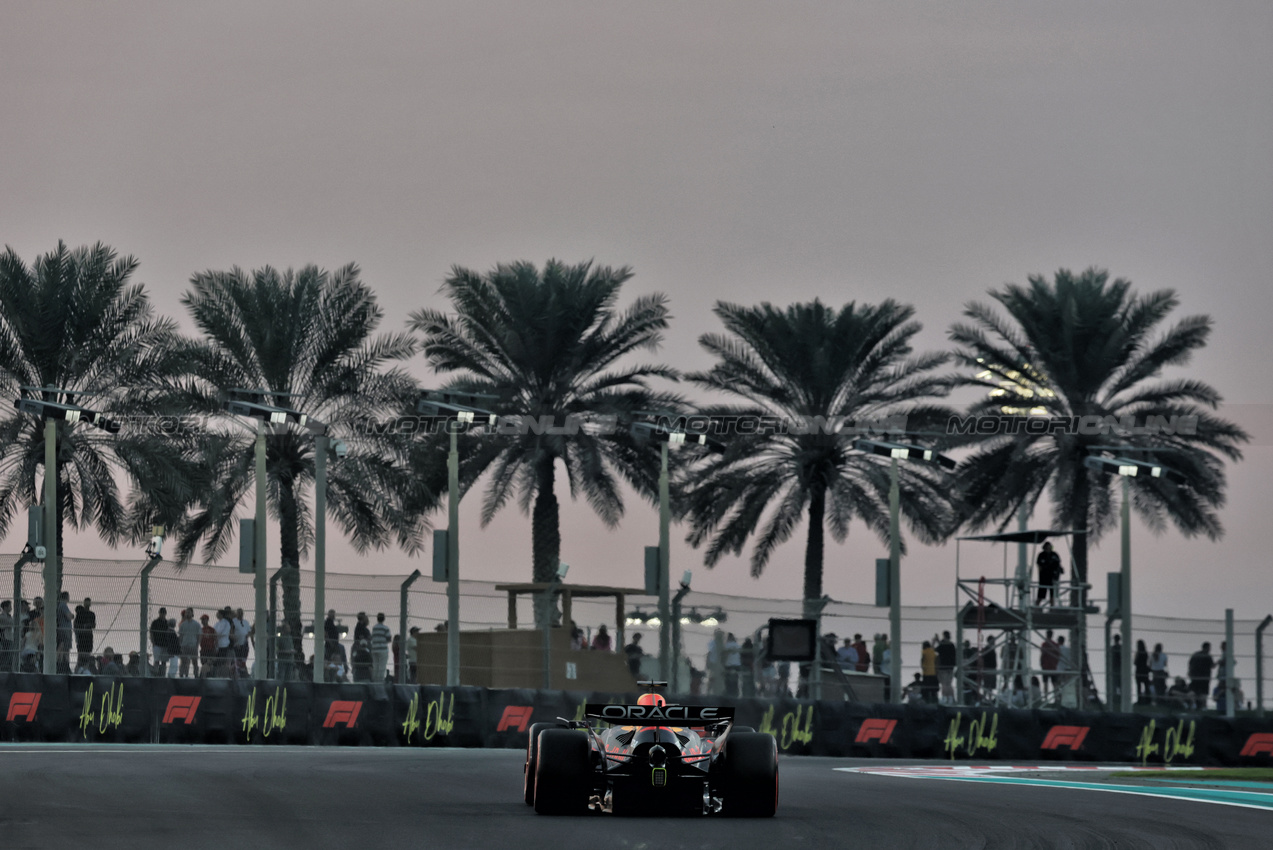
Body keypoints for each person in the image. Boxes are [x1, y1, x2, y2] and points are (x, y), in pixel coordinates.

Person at [1188, 642, 1215, 710]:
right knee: (1203, 692)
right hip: (1204, 677)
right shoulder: (1208, 656)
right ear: (1207, 648)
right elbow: (1212, 666)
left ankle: (1194, 704)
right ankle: (1203, 706)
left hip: (1195, 677)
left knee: (1194, 691)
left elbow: (1190, 664)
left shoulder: (1195, 654)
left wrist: (1190, 673)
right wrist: (1218, 662)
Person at [74, 597, 96, 668]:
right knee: (81, 653)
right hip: (82, 636)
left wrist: (88, 625)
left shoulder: (92, 614)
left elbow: (93, 625)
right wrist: (84, 626)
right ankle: (80, 666)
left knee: (88, 652)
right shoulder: (80, 614)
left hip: (88, 636)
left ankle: (86, 666)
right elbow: (76, 625)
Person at [178, 608, 201, 678]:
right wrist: (180, 645)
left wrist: (197, 645)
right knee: (183, 661)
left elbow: (199, 635)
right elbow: (180, 635)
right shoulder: (183, 624)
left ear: (192, 614)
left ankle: (196, 675)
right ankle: (182, 675)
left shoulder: (196, 624)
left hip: (193, 645)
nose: (187, 614)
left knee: (195, 661)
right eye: (186, 613)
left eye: (189, 612)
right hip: (184, 645)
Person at [936, 631, 957, 704]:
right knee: (949, 684)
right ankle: (950, 698)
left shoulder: (942, 645)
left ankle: (944, 697)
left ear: (944, 636)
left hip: (943, 667)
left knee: (944, 684)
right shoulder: (952, 645)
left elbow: (935, 650)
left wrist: (937, 641)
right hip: (950, 667)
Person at [371, 612, 392, 681]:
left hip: (374, 649)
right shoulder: (385, 628)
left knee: (375, 666)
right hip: (382, 649)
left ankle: (375, 680)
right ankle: (380, 681)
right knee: (382, 667)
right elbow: (389, 639)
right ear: (384, 619)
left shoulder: (374, 628)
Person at [150, 607, 171, 674]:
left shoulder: (167, 623)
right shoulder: (155, 622)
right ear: (159, 613)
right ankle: (155, 673)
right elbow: (151, 632)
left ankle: (162, 674)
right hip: (157, 644)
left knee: (164, 661)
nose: (162, 614)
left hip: (165, 645)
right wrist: (153, 642)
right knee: (156, 660)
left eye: (163, 613)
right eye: (161, 613)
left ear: (165, 614)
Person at [214, 608, 234, 677]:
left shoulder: (226, 623)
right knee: (217, 661)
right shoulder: (217, 623)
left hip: (224, 645)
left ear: (221, 614)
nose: (217, 614)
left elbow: (222, 633)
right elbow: (214, 631)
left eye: (218, 613)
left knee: (222, 661)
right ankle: (218, 675)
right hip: (217, 645)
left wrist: (216, 635)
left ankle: (223, 675)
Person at [1040, 629, 1059, 696]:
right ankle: (1056, 697)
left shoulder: (1044, 644)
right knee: (1054, 683)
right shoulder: (1055, 645)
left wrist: (1041, 663)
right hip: (1053, 666)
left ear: (1047, 635)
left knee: (1045, 683)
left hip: (1045, 666)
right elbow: (1058, 655)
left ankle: (1045, 697)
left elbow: (1042, 654)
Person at [1133, 639, 1150, 703]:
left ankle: (1139, 700)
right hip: (1145, 671)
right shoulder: (1145, 653)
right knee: (1146, 686)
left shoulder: (1138, 653)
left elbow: (1135, 662)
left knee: (1139, 686)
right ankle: (1147, 700)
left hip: (1139, 671)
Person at [0, 600, 13, 671]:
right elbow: (11, 623)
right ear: (5, 607)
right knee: (5, 655)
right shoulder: (2, 617)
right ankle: (3, 670)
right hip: (5, 638)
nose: (11, 608)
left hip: (9, 638)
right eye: (10, 606)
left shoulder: (9, 616)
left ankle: (7, 669)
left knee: (9, 655)